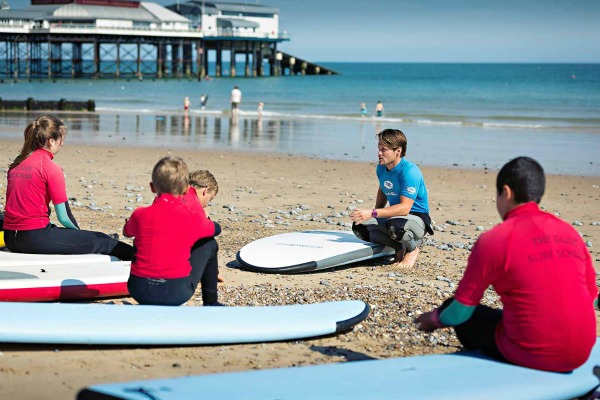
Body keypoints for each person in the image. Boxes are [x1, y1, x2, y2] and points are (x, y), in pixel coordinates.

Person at [415, 157, 598, 372]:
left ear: (506, 192)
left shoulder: (495, 239)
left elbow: (462, 311)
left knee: (452, 308)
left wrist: (433, 319)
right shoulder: (569, 232)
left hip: (531, 354)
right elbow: (592, 296)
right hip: (581, 352)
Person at [3, 115, 133, 260]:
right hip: (34, 238)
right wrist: (80, 235)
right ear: (51, 141)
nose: (62, 144)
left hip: (11, 238)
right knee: (103, 241)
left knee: (69, 234)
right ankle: (145, 259)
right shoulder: (50, 168)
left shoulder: (17, 165)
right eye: (61, 139)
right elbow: (64, 217)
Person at [124, 156, 223, 306]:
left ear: (152, 187)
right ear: (186, 189)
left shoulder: (140, 213)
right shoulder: (193, 216)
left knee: (140, 235)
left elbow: (126, 232)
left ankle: (145, 275)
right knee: (209, 243)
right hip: (176, 292)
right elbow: (216, 229)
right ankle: (211, 302)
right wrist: (207, 221)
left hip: (138, 290)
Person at [350, 129, 432, 268]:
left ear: (398, 151)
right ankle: (398, 248)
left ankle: (412, 249)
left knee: (395, 226)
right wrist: (376, 214)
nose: (379, 153)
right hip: (394, 216)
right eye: (378, 148)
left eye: (384, 149)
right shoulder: (381, 168)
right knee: (360, 227)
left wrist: (372, 213)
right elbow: (383, 188)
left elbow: (405, 208)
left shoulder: (409, 171)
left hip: (416, 218)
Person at [188, 169, 224, 283]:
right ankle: (211, 276)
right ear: (205, 191)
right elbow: (207, 231)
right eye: (210, 199)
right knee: (209, 242)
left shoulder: (167, 194)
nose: (207, 204)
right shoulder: (193, 204)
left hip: (150, 256)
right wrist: (206, 219)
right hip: (172, 268)